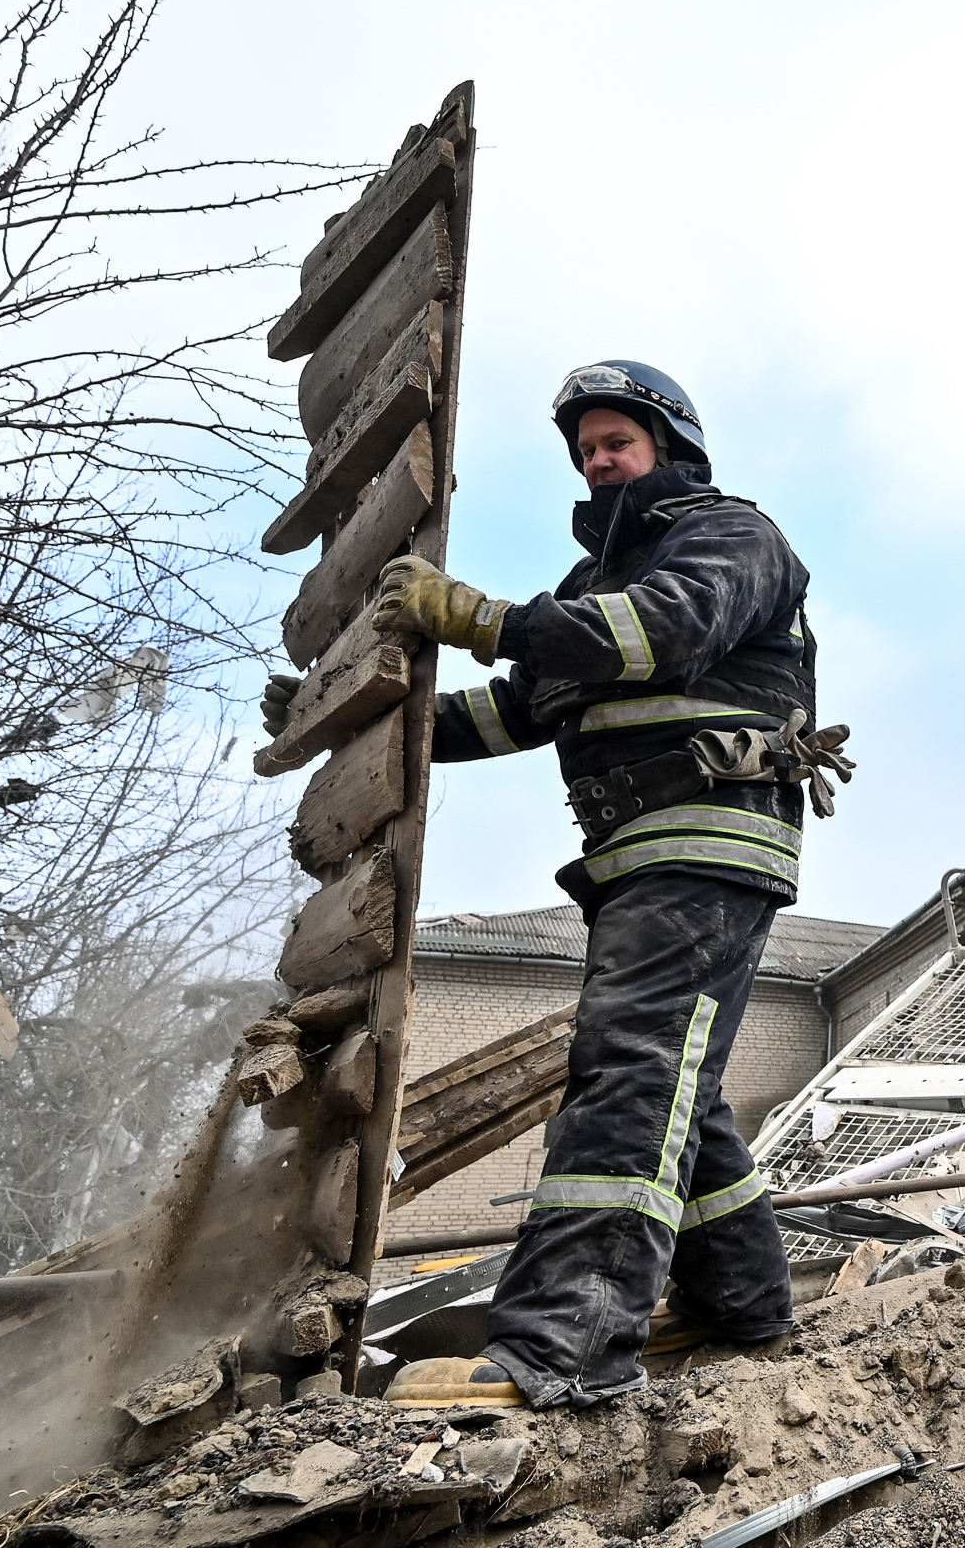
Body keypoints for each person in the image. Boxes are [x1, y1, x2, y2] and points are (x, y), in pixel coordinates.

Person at [313, 359, 851, 1409]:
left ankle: (561, 1345)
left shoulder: (733, 538)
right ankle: (741, 1303)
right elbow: (515, 710)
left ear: (671, 448)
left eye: (619, 442)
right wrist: (349, 715)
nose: (601, 461)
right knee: (672, 1089)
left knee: (632, 1073)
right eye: (588, 448)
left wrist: (473, 615)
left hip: (706, 844)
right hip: (637, 862)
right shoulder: (583, 593)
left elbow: (663, 632)